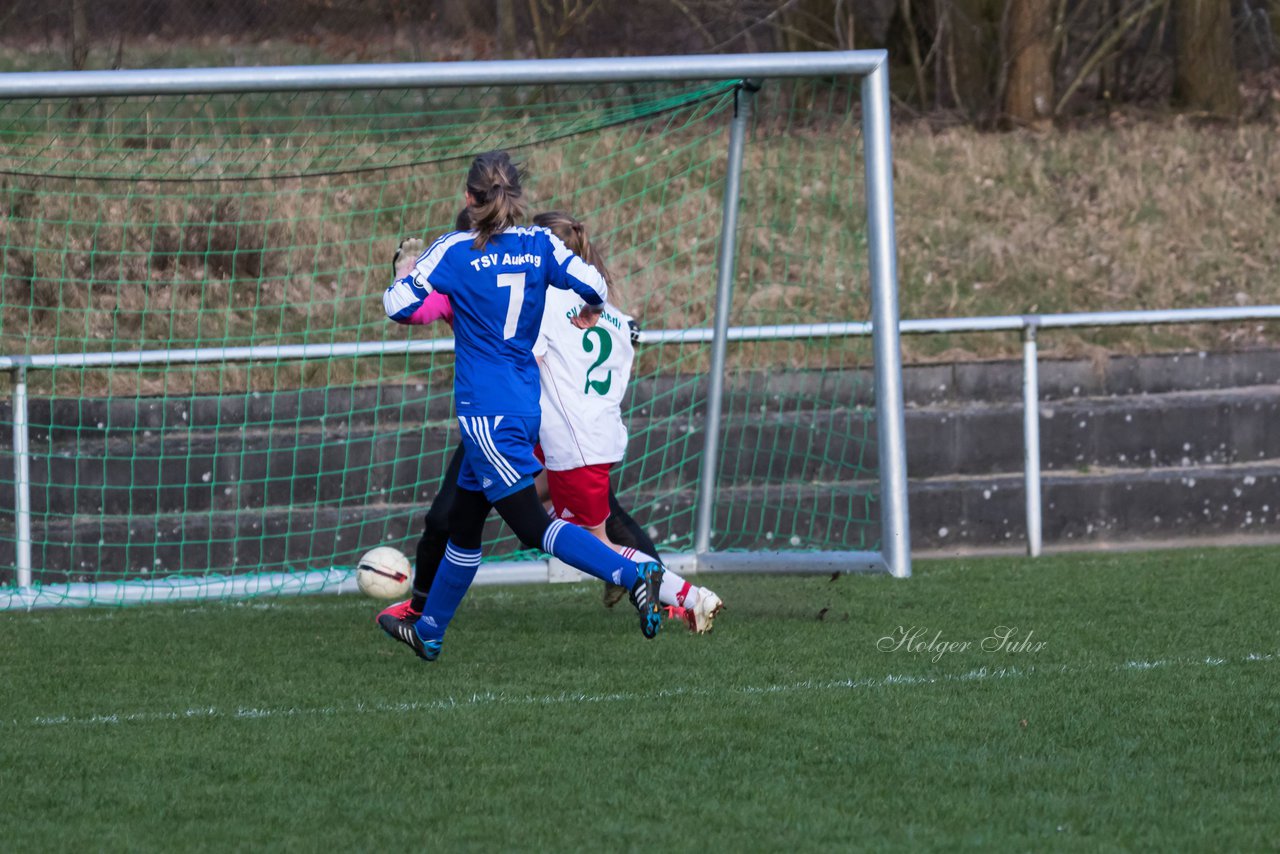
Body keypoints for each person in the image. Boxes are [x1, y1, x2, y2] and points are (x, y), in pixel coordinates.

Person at [377, 150, 663, 662]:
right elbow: (594, 285)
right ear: (516, 196)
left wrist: (407, 272)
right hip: (523, 406)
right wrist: (592, 313)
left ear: (469, 198)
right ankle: (430, 629)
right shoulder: (539, 244)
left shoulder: (454, 250)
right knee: (464, 526)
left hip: (486, 414)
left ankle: (631, 570)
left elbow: (399, 307)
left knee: (534, 527)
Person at [529, 210, 724, 633]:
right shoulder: (615, 317)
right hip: (598, 437)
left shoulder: (546, 302)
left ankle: (685, 596)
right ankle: (666, 590)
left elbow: (529, 357)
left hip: (572, 441)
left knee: (586, 543)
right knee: (533, 504)